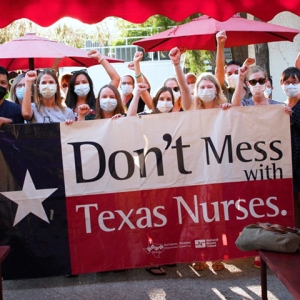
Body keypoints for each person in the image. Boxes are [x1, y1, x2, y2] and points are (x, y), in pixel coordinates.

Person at [66, 49, 120, 121]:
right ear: (72, 87)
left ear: (90, 84)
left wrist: (100, 58)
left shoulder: (99, 103)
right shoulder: (66, 108)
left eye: (84, 82)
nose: (81, 85)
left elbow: (116, 79)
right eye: (77, 83)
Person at [281, 67, 300, 228]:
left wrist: (292, 115)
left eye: (294, 82)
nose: (290, 86)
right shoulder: (279, 107)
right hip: (287, 165)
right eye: (287, 82)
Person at [215, 31, 253, 103]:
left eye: (236, 72)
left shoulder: (253, 92)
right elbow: (220, 71)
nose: (233, 76)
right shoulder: (224, 93)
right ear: (225, 77)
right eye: (229, 74)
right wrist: (220, 45)